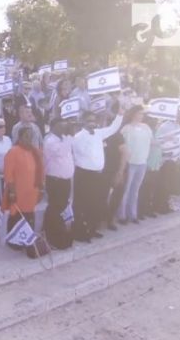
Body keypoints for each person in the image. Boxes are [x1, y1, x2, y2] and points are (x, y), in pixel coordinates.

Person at [72, 110, 124, 242]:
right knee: (82, 204)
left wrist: (120, 113)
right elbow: (85, 155)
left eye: (94, 120)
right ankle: (80, 233)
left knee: (95, 203)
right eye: (89, 120)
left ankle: (92, 229)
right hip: (84, 175)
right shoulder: (78, 137)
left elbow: (113, 128)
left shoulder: (98, 133)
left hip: (97, 175)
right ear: (83, 122)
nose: (92, 123)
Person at [2, 127, 44, 240]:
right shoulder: (13, 152)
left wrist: (41, 188)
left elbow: (41, 171)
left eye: (31, 136)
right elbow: (8, 174)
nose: (29, 138)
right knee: (17, 215)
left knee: (30, 215)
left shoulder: (35, 151)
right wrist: (11, 191)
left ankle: (28, 240)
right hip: (17, 192)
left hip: (32, 191)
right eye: (26, 136)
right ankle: (14, 242)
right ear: (20, 137)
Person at [42, 118, 75, 248]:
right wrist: (69, 136)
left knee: (61, 207)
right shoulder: (50, 140)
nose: (65, 126)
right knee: (55, 207)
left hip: (65, 181)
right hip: (55, 181)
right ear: (54, 126)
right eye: (62, 124)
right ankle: (51, 235)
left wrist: (68, 137)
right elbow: (62, 152)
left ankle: (57, 233)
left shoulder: (63, 139)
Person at [117, 106, 153, 224]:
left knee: (135, 190)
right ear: (133, 114)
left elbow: (152, 142)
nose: (141, 116)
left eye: (142, 114)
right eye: (139, 113)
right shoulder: (126, 128)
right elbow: (121, 145)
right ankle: (122, 215)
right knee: (126, 190)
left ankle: (132, 214)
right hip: (130, 162)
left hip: (142, 162)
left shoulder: (146, 127)